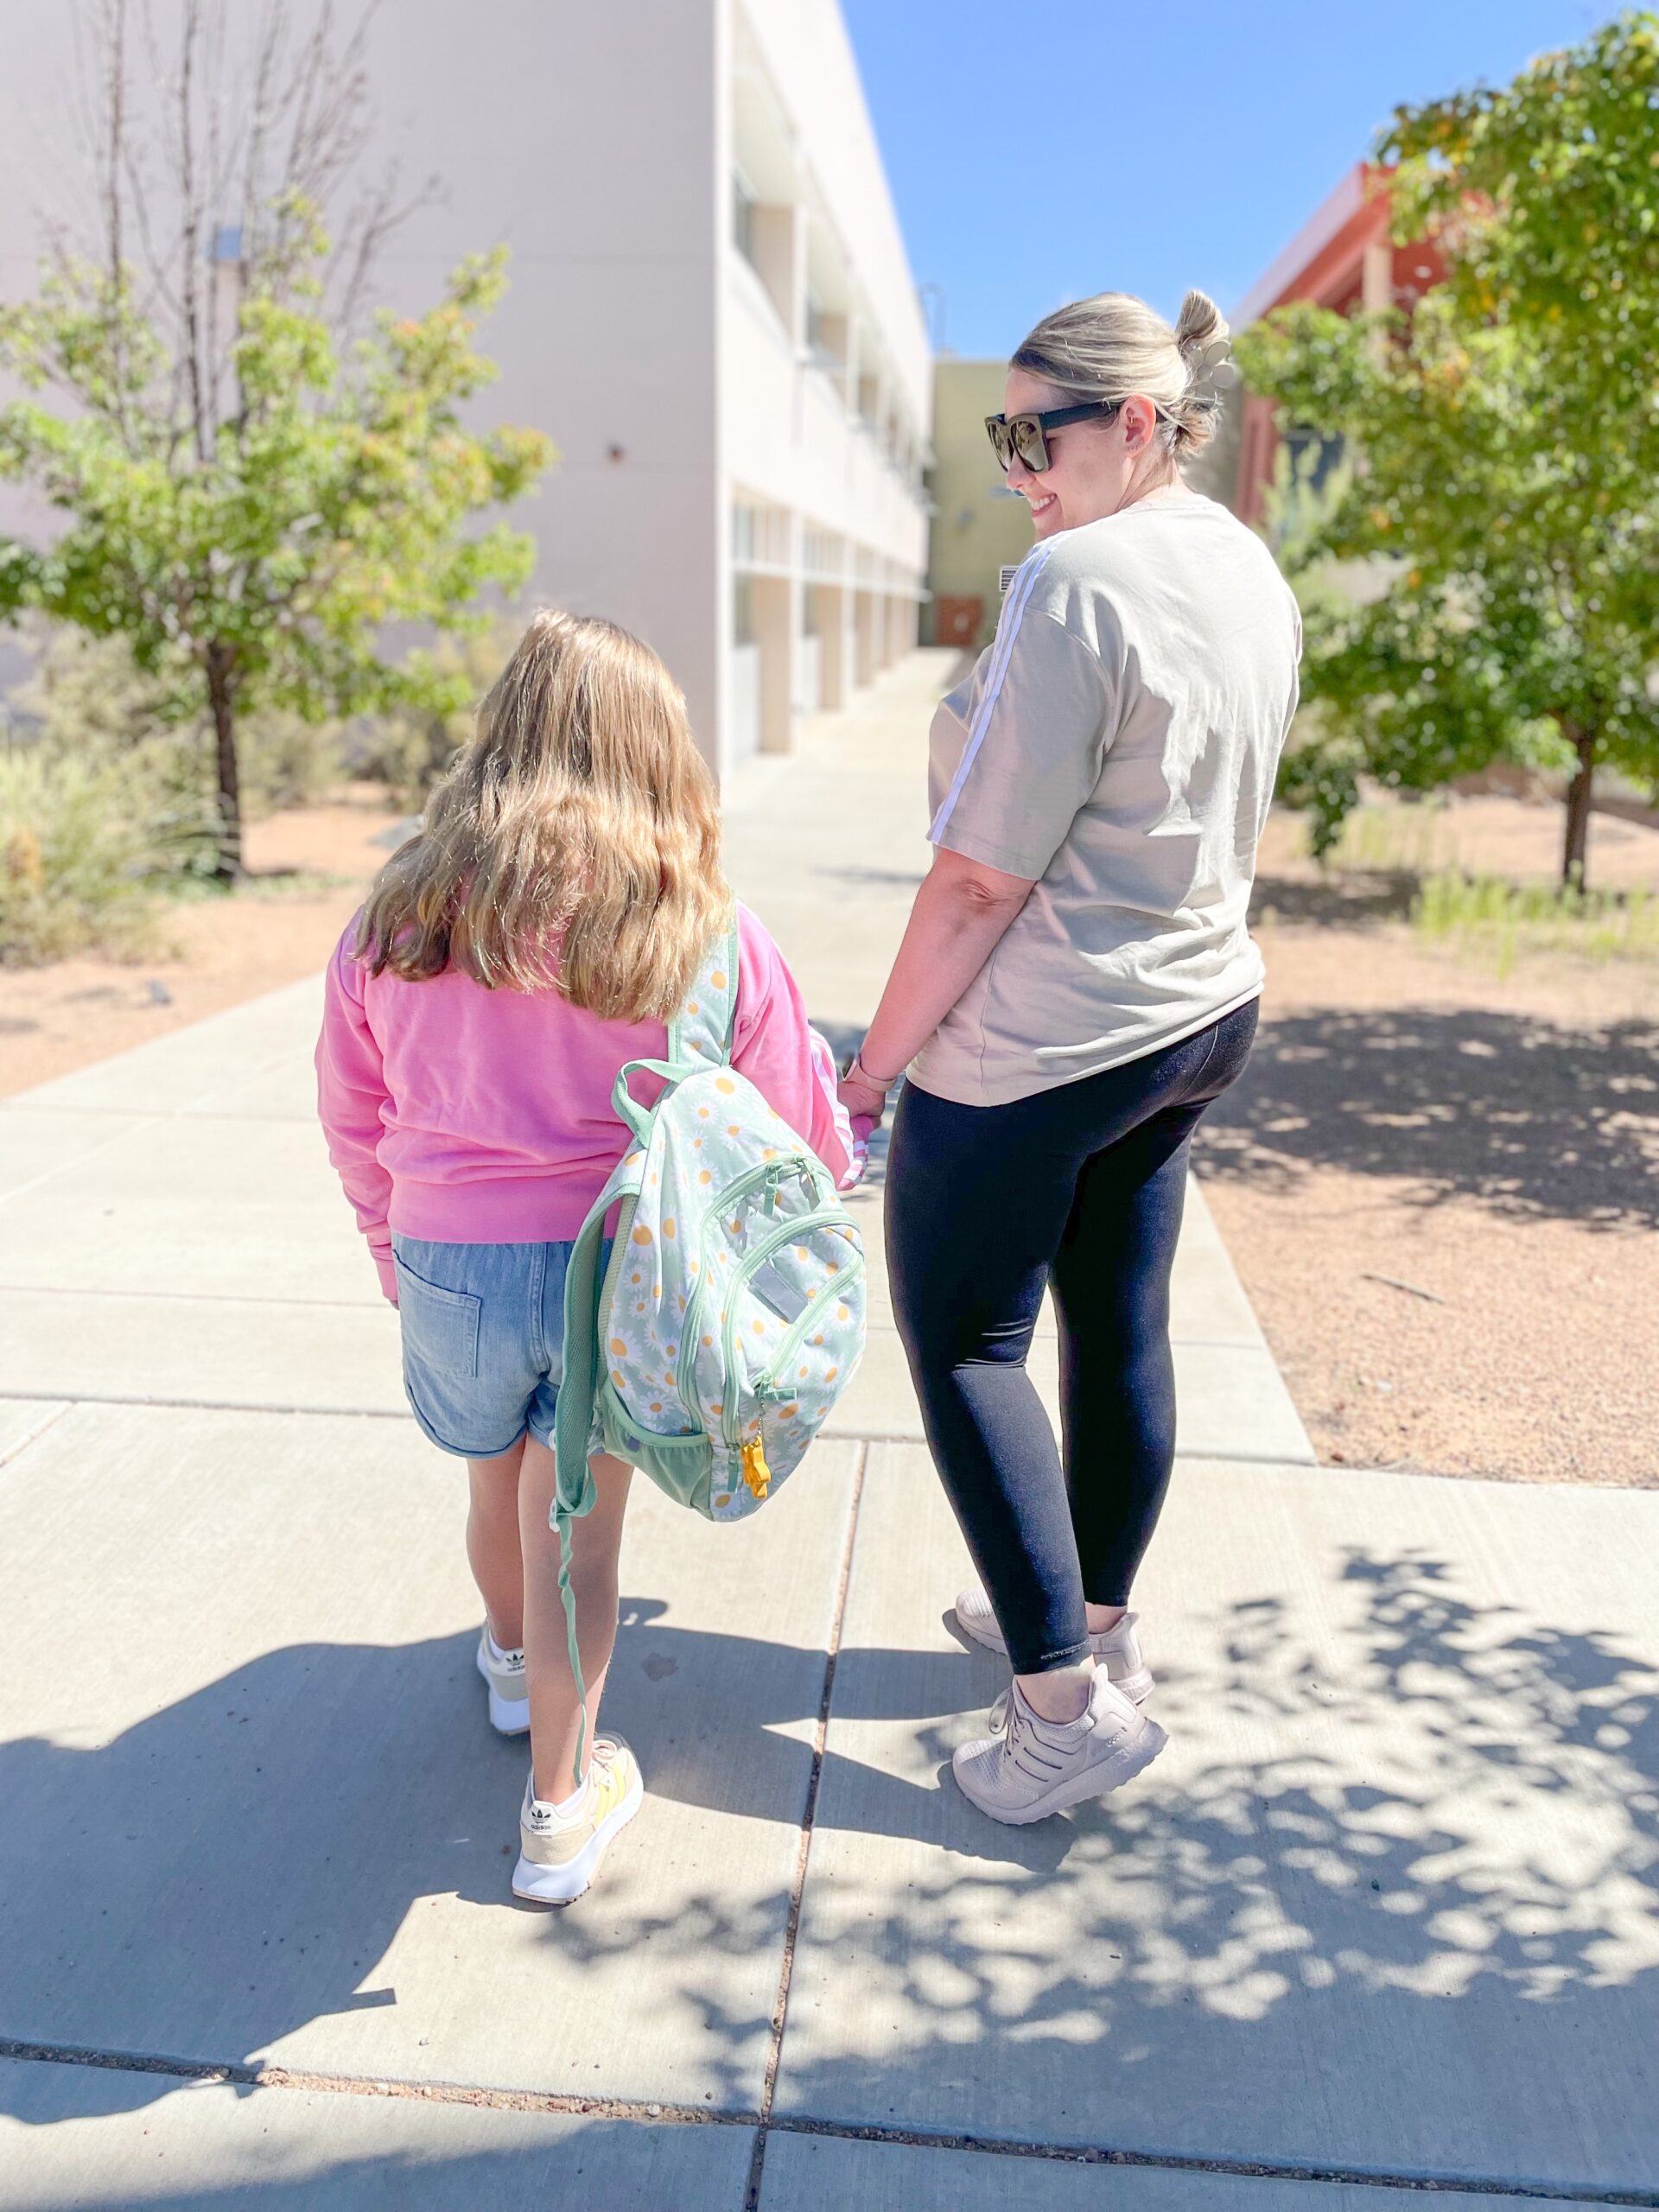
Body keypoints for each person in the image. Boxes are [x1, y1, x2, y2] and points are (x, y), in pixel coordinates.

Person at [840, 288, 1301, 1827]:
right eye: (1005, 434)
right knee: (1116, 1327)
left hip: (1050, 1035)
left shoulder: (1073, 581)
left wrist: (877, 1062)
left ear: (1138, 426)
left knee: (968, 1340)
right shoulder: (1246, 566)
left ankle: (1059, 1715)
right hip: (1196, 1013)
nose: (1018, 463)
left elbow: (981, 877)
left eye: (1039, 433)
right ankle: (1095, 1629)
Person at [317, 611, 855, 1902]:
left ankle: (509, 1664)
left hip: (452, 1258)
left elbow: (355, 1105)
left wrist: (391, 1246)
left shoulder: (401, 915)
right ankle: (559, 1808)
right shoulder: (702, 923)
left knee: (489, 1487)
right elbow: (799, 1130)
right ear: (654, 751)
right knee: (584, 1539)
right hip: (621, 1276)